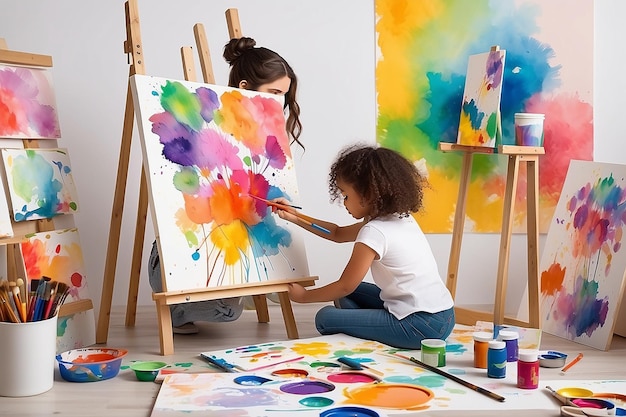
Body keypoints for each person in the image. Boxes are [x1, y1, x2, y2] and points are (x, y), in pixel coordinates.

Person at [148, 36, 304, 334]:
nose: (279, 102)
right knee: (228, 309)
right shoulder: (204, 124)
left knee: (247, 292)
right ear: (244, 88)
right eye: (273, 92)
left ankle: (238, 290)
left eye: (283, 94)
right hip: (175, 252)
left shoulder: (264, 139)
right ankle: (177, 310)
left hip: (230, 245)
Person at [274, 144, 455, 349]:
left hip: (420, 327)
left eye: (346, 195)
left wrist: (305, 297)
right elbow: (337, 233)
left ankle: (370, 327)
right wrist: (295, 216)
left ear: (368, 194)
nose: (344, 202)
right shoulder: (399, 218)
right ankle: (369, 325)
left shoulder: (375, 232)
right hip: (444, 316)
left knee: (325, 317)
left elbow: (345, 284)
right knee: (347, 294)